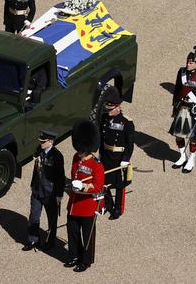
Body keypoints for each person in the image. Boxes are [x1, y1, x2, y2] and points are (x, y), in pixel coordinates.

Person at [65, 120, 105, 272]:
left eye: (82, 149)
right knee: (72, 232)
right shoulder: (76, 157)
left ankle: (85, 261)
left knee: (87, 236)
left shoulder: (97, 165)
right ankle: (74, 255)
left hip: (87, 206)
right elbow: (73, 173)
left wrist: (83, 186)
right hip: (74, 203)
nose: (79, 152)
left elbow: (98, 186)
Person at [24, 129, 66, 252]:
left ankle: (50, 241)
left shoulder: (57, 156)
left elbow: (60, 177)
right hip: (37, 190)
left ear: (51, 141)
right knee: (34, 216)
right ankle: (33, 239)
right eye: (41, 141)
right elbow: (36, 169)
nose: (41, 143)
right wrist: (32, 183)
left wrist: (59, 194)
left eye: (44, 141)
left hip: (50, 192)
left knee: (52, 219)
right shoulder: (39, 151)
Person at [99, 90, 134, 220]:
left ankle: (118, 208)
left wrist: (126, 159)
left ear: (118, 107)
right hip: (106, 155)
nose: (109, 112)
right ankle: (108, 204)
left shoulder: (127, 123)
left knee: (119, 185)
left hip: (119, 157)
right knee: (104, 182)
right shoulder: (104, 118)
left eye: (111, 109)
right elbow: (102, 138)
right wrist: (100, 154)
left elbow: (130, 144)